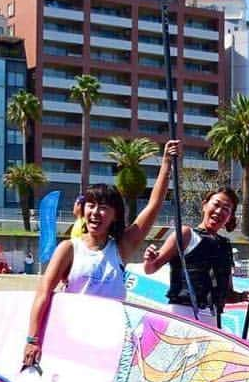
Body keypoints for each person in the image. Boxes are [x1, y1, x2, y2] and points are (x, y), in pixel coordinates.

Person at [23, 140, 180, 369]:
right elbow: (43, 293)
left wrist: (166, 163)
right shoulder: (69, 249)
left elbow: (154, 205)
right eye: (91, 205)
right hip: (72, 338)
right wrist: (32, 340)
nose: (96, 212)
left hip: (110, 341)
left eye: (104, 207)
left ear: (115, 214)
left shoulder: (120, 247)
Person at [142, 183, 249, 329]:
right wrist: (149, 259)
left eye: (226, 209)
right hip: (183, 314)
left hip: (212, 319)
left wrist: (243, 297)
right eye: (216, 205)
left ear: (230, 217)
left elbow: (226, 294)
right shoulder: (186, 234)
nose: (219, 211)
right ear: (205, 205)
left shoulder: (225, 246)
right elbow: (151, 268)